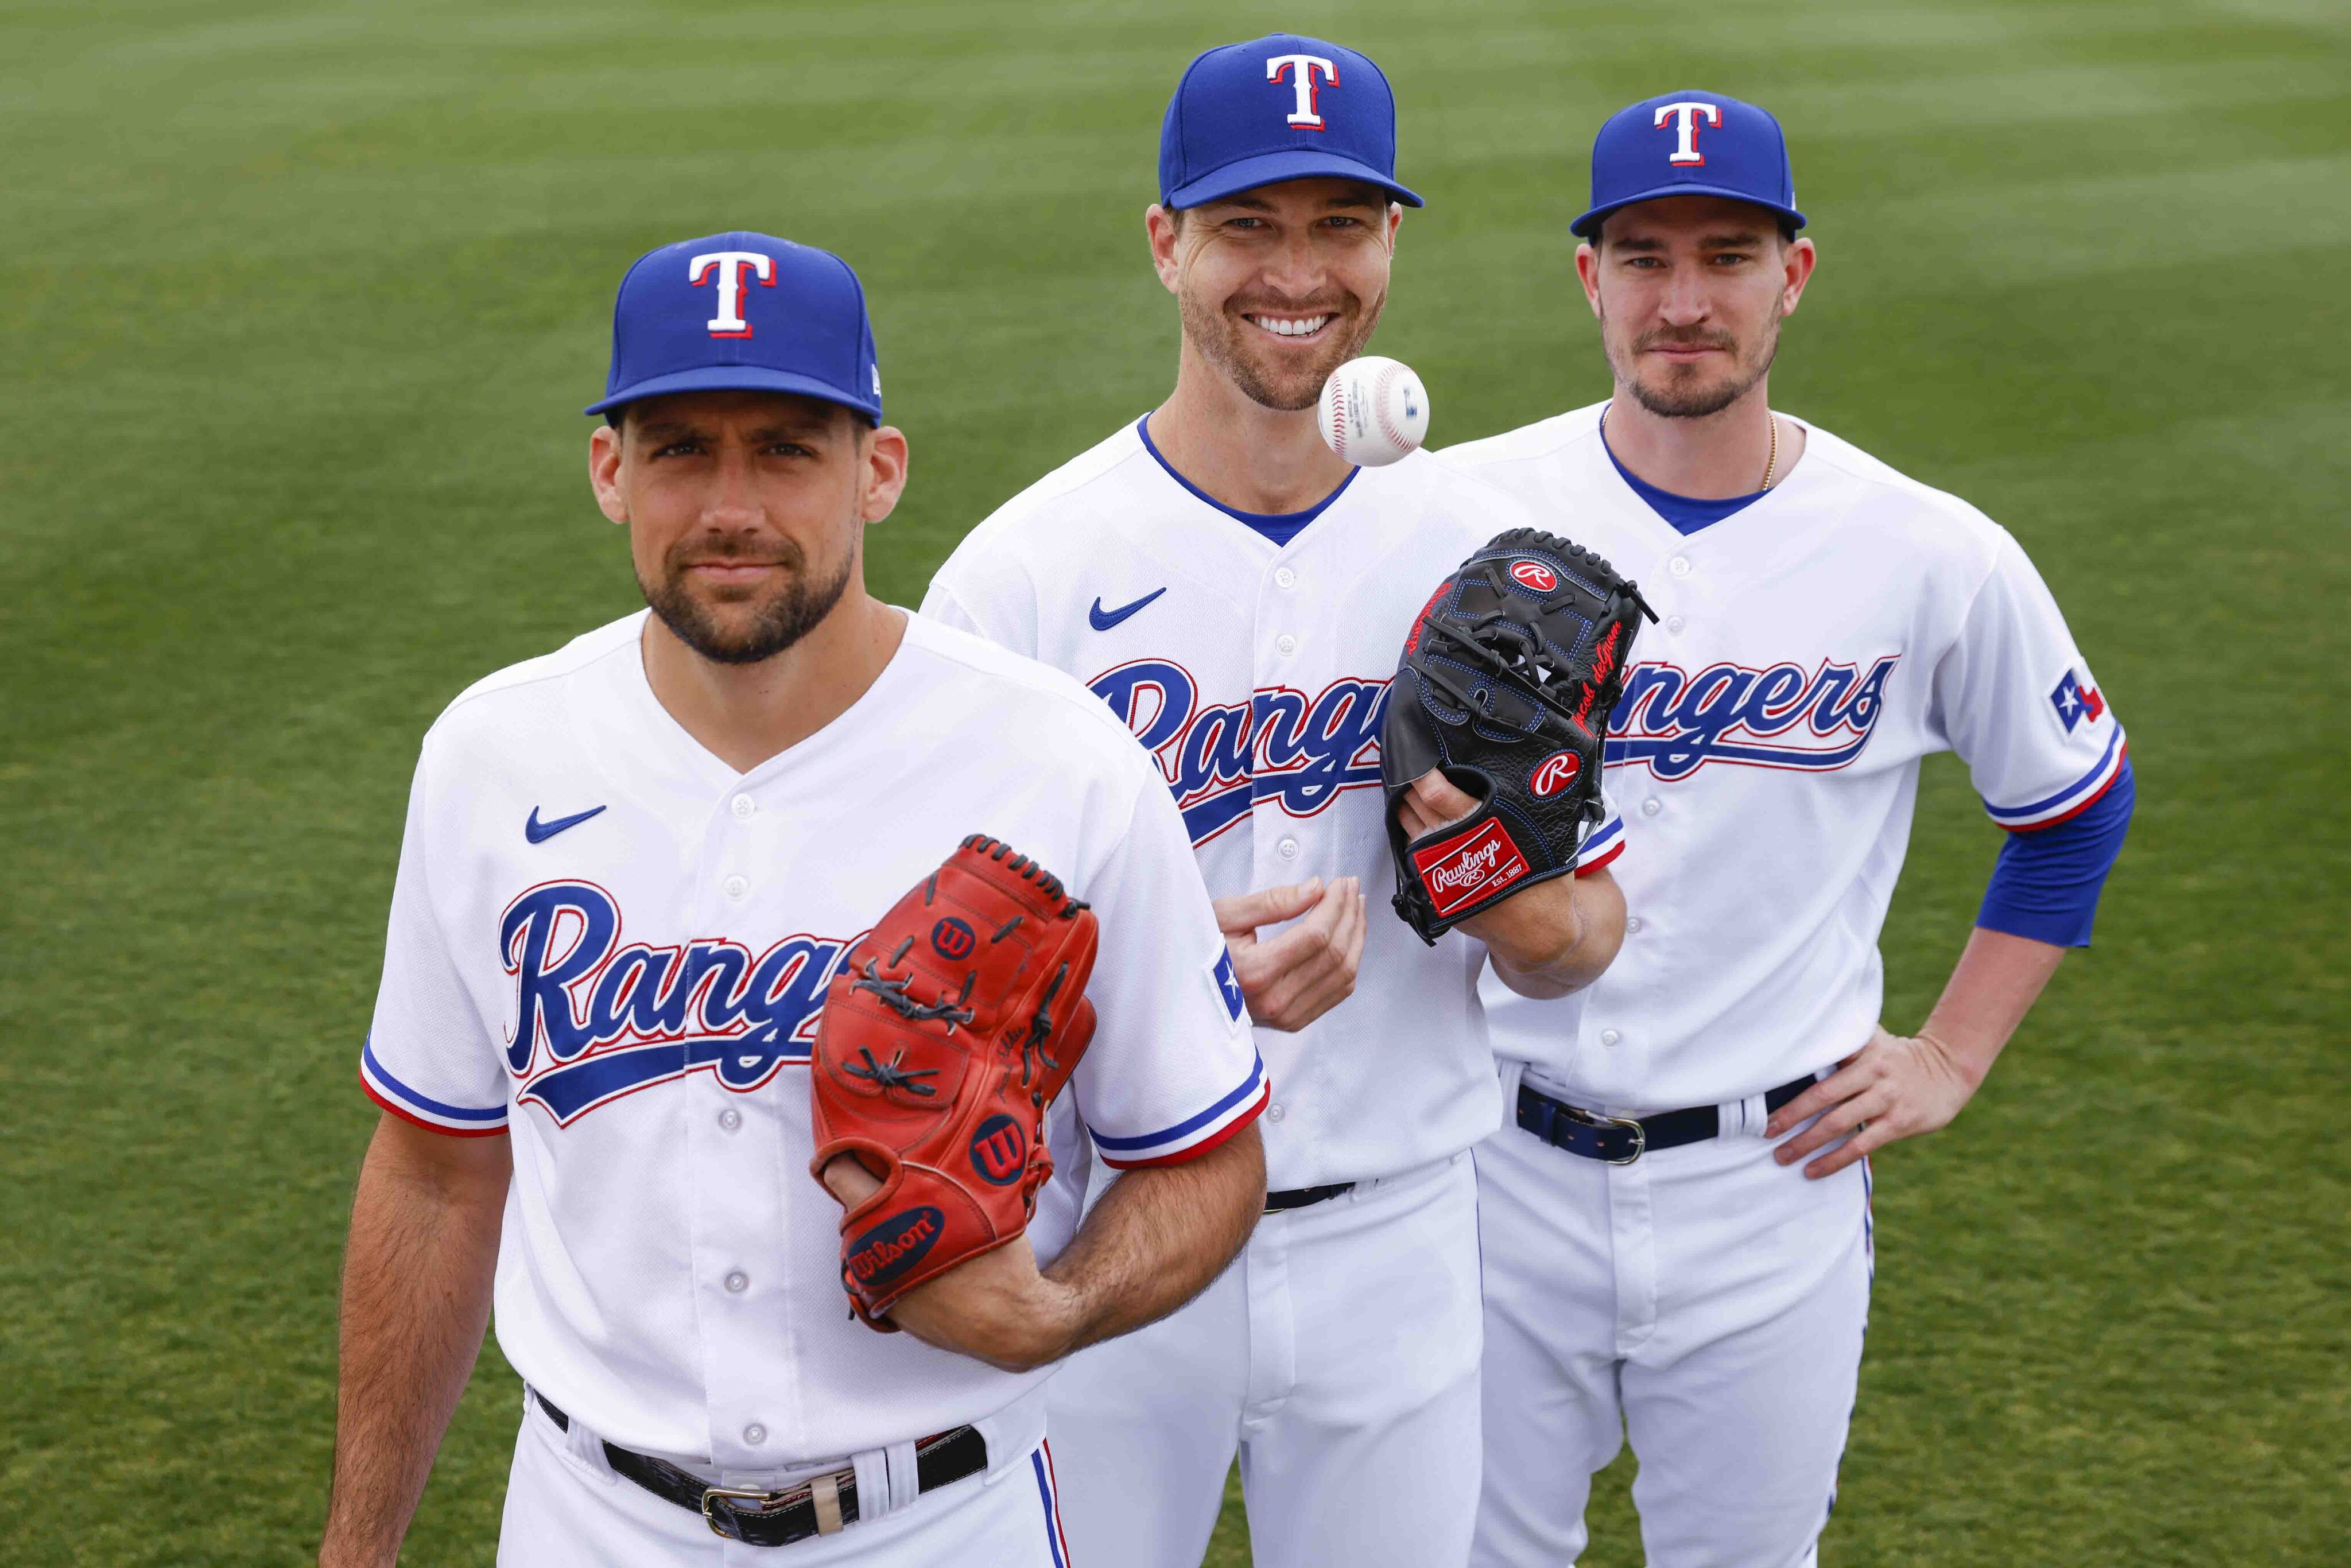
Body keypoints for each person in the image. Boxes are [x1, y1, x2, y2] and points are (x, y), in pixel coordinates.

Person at [316, 231, 1270, 1567]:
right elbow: (431, 1176)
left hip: (950, 1522)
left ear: (876, 471)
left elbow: (1203, 1155)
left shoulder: (1057, 759)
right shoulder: (491, 757)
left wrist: (1063, 1308)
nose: (729, 506)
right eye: (678, 450)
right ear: (609, 472)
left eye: (783, 448)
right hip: (590, 1523)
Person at [921, 37, 1628, 1568]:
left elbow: (1583, 939)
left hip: (1401, 1241)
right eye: (1250, 225)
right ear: (1166, 241)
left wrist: (1493, 870)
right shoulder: (1024, 576)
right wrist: (1161, 975)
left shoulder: (1495, 561)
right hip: (1108, 1238)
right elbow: (922, 993)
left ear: (1392, 242)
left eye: (1342, 224)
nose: (1298, 271)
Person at [1438, 94, 2135, 1567]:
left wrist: (1949, 1054)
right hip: (1486, 1174)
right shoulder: (1453, 511)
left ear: (1792, 275)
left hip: (1772, 1185)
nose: (1683, 302)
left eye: (1727, 256)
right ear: (1588, 278)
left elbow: (2074, 804)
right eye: (1642, 257)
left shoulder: (1927, 551)